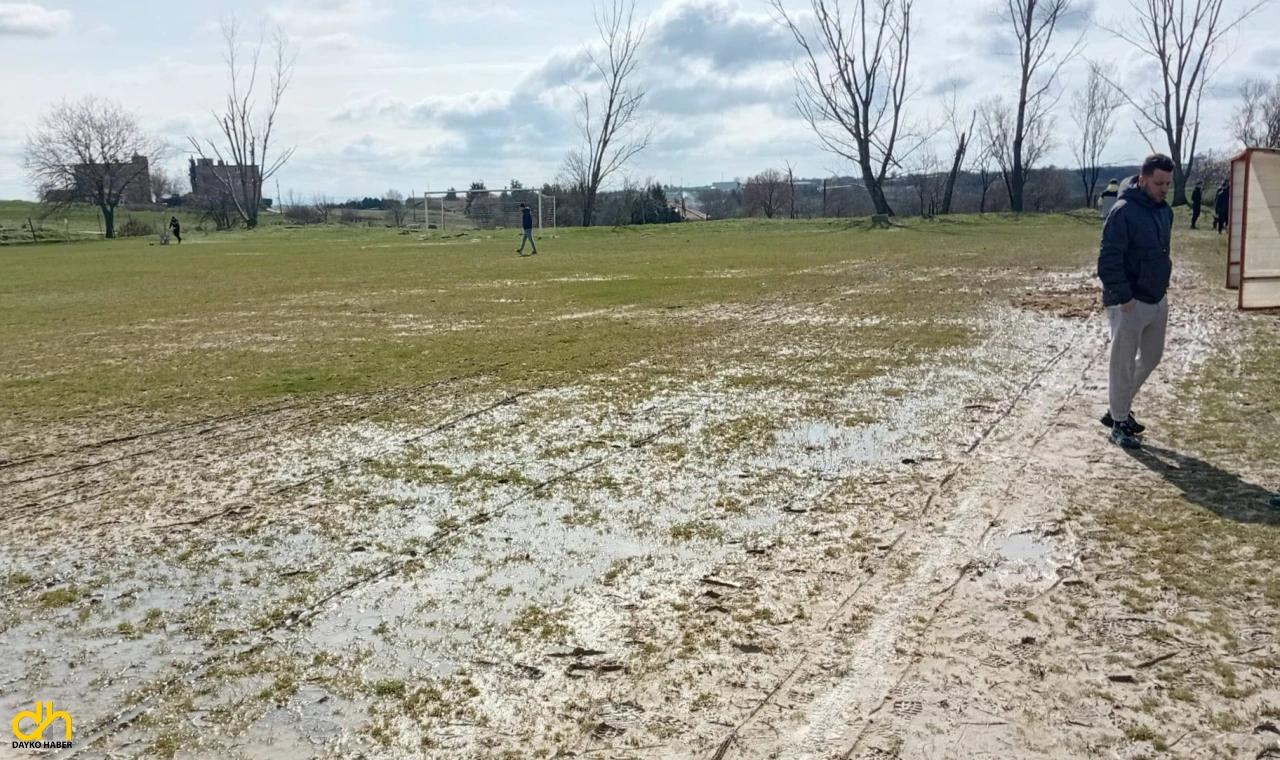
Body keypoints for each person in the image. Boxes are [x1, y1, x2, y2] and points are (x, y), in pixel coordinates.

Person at [1096, 154, 1175, 450]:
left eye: (1168, 183)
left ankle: (1118, 407)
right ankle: (1118, 423)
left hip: (1157, 297)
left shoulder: (1165, 212)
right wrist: (1125, 298)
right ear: (1142, 180)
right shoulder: (1123, 211)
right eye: (1158, 183)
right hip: (1127, 302)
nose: (1164, 188)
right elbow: (1108, 260)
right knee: (1122, 364)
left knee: (1152, 357)